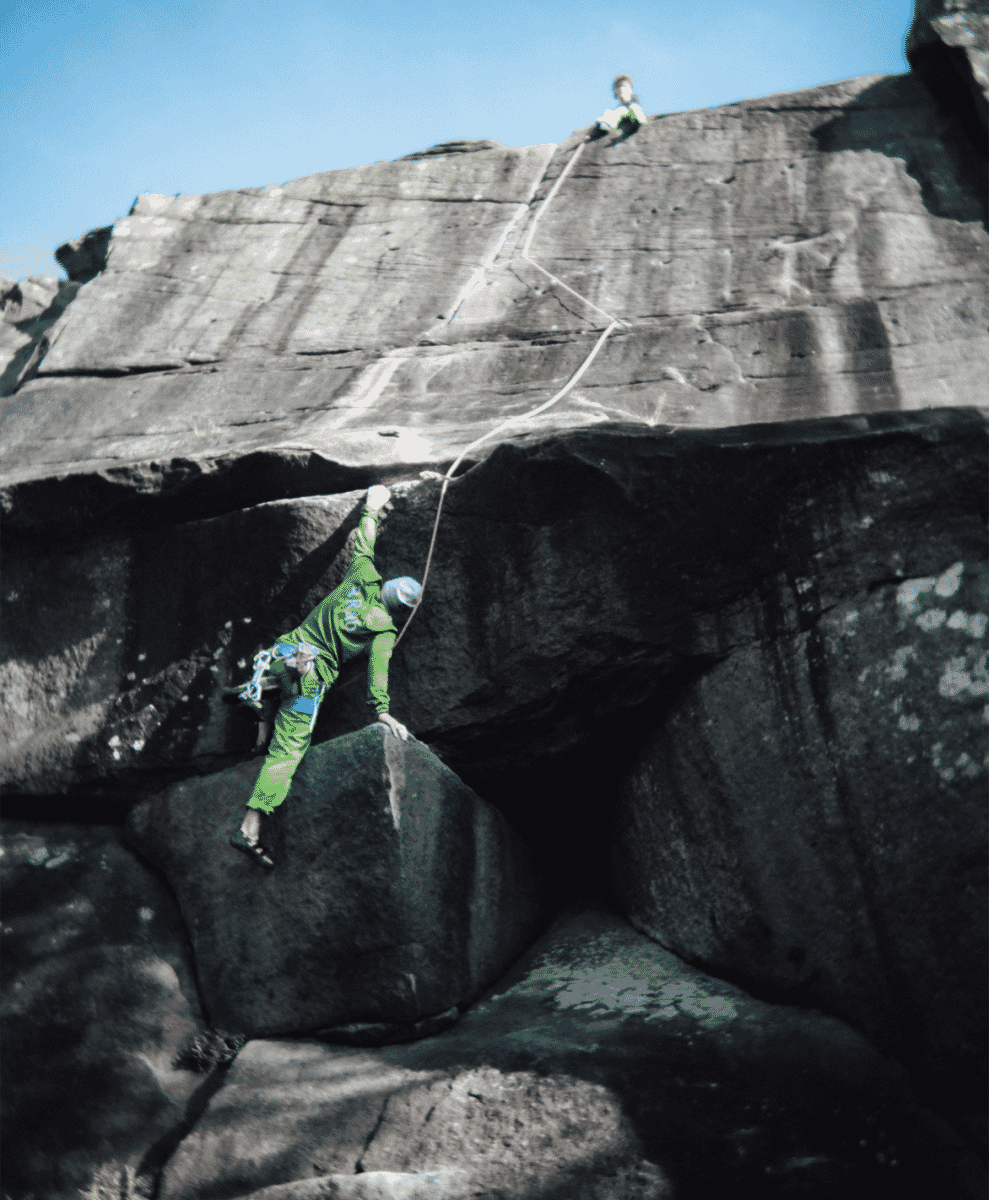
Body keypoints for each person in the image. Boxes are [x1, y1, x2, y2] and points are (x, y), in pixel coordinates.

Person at [229, 485, 420, 867]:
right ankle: (249, 827)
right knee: (289, 749)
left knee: (286, 670)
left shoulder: (361, 577)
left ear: (385, 585)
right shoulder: (383, 633)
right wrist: (382, 711)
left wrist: (372, 507)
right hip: (307, 684)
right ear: (400, 613)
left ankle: (262, 693)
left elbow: (364, 543)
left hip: (284, 650)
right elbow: (376, 672)